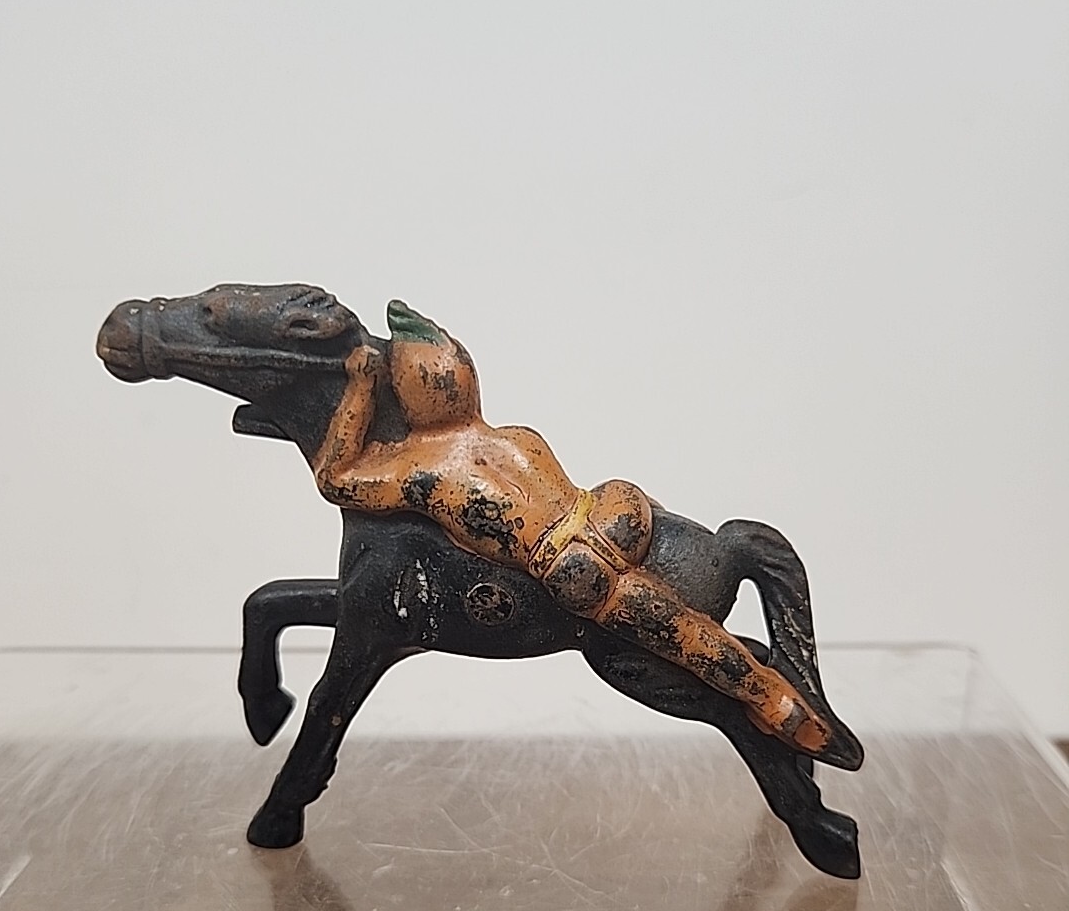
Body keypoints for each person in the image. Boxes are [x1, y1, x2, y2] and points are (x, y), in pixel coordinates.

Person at [312, 300, 832, 757]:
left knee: (679, 632)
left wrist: (360, 388)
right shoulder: (510, 435)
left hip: (572, 559)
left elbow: (336, 479)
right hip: (615, 506)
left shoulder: (420, 471)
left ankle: (770, 697)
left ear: (409, 396)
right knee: (669, 613)